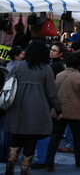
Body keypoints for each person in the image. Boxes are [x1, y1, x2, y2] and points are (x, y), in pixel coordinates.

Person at [3, 40, 61, 175]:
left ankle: (11, 159)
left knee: (16, 135)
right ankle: (25, 167)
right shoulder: (46, 69)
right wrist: (58, 108)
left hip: (17, 105)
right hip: (38, 107)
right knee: (31, 138)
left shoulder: (18, 66)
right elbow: (52, 93)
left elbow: (8, 84)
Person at [45, 53, 80, 171]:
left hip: (59, 110)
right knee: (79, 137)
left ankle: (49, 161)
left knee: (55, 137)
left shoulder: (59, 75)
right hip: (75, 110)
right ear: (79, 65)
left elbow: (53, 93)